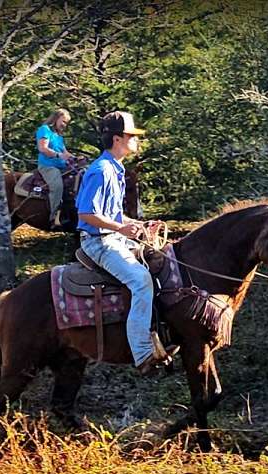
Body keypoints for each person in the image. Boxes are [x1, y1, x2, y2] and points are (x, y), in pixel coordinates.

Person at [75, 111, 173, 376]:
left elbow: (113, 215)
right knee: (140, 280)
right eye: (132, 136)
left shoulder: (114, 169)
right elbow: (86, 213)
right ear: (118, 139)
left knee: (161, 264)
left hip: (112, 236)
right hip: (98, 242)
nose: (136, 140)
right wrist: (121, 228)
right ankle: (142, 354)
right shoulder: (101, 170)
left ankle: (161, 336)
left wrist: (139, 226)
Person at [36, 108, 74, 228]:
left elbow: (65, 153)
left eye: (66, 123)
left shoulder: (58, 136)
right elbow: (43, 148)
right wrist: (58, 155)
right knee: (57, 186)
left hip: (62, 166)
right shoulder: (45, 130)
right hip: (48, 166)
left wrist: (76, 158)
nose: (64, 125)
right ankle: (54, 218)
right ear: (56, 118)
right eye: (63, 121)